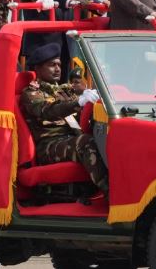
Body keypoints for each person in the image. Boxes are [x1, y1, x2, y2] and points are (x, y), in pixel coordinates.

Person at [19, 43, 108, 198]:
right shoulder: (31, 93)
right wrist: (78, 102)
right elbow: (49, 111)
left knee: (107, 137)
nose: (58, 69)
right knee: (86, 142)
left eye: (59, 65)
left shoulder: (64, 90)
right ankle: (111, 193)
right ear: (38, 69)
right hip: (49, 146)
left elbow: (81, 114)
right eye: (51, 65)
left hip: (69, 139)